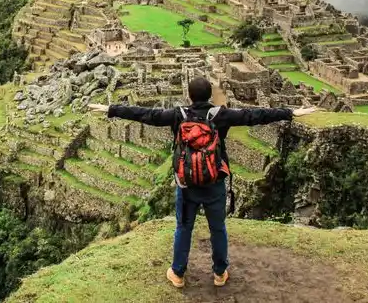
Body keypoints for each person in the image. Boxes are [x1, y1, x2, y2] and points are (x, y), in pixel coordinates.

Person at [88, 77, 315, 289]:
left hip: (187, 184)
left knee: (183, 227)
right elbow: (253, 115)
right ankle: (219, 273)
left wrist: (111, 109)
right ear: (209, 96)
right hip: (214, 182)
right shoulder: (221, 115)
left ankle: (177, 273)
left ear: (190, 96)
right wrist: (291, 112)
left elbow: (147, 115)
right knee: (218, 228)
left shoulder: (179, 115)